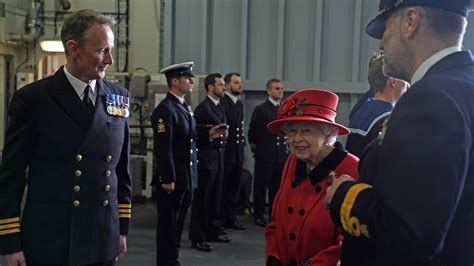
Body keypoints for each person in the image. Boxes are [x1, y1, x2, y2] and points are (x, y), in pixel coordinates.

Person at [325, 0, 474, 265]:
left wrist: (344, 195)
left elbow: (408, 235)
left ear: (410, 22)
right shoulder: (463, 86)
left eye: (384, 29)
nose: (381, 44)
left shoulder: (430, 98)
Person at [0, 9, 131, 266]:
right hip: (51, 240)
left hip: (102, 236)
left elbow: (120, 170)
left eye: (111, 50)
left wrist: (121, 228)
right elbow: (10, 177)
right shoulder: (33, 100)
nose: (110, 60)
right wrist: (10, 244)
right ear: (74, 48)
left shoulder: (118, 96)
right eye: (103, 50)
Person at [265, 89, 359, 266]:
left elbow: (350, 239)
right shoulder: (294, 162)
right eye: (292, 131)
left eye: (306, 131)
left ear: (328, 133)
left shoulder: (352, 169)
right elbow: (275, 222)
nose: (297, 139)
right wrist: (274, 257)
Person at [151, 62, 198, 265]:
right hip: (173, 179)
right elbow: (164, 147)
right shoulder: (165, 109)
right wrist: (167, 178)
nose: (192, 81)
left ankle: (173, 259)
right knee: (168, 226)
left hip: (186, 177)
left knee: (177, 224)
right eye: (187, 78)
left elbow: (187, 139)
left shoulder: (183, 106)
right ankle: (166, 261)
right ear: (175, 81)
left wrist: (209, 134)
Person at [189, 73, 230, 252]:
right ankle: (198, 237)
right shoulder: (203, 108)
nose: (224, 87)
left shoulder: (219, 107)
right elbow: (194, 134)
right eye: (220, 85)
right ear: (210, 87)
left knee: (215, 198)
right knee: (202, 201)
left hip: (218, 159)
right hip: (206, 160)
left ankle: (212, 230)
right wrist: (210, 134)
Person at [346, 54, 408, 157]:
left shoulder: (359, 112)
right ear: (393, 81)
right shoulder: (388, 121)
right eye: (405, 80)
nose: (408, 85)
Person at [248, 78, 289, 227]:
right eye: (276, 88)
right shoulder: (262, 109)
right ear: (269, 91)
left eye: (281, 88)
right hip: (265, 155)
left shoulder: (283, 110)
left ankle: (273, 214)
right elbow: (253, 133)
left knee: (276, 189)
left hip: (280, 156)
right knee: (261, 187)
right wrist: (258, 150)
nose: (280, 91)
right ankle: (258, 215)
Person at [220, 72, 247, 230]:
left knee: (234, 187)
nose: (240, 85)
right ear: (227, 85)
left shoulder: (239, 104)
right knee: (224, 188)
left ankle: (231, 218)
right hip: (227, 152)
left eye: (240, 83)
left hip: (237, 151)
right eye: (236, 83)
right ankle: (221, 219)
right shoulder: (223, 102)